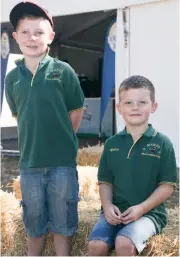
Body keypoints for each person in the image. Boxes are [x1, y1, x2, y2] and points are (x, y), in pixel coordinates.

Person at [5, 2, 84, 256]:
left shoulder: (63, 71)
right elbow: (21, 116)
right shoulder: (12, 78)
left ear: (50, 36)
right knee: (34, 225)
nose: (32, 38)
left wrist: (61, 140)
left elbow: (76, 111)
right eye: (25, 32)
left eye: (39, 32)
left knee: (63, 224)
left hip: (62, 163)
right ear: (16, 37)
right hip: (29, 165)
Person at [88, 75, 177, 256]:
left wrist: (141, 209)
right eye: (128, 103)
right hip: (115, 213)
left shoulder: (162, 143)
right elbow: (105, 181)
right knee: (96, 246)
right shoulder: (112, 143)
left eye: (142, 102)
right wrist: (107, 206)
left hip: (149, 214)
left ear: (153, 106)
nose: (135, 107)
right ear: (119, 108)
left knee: (124, 242)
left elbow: (167, 186)